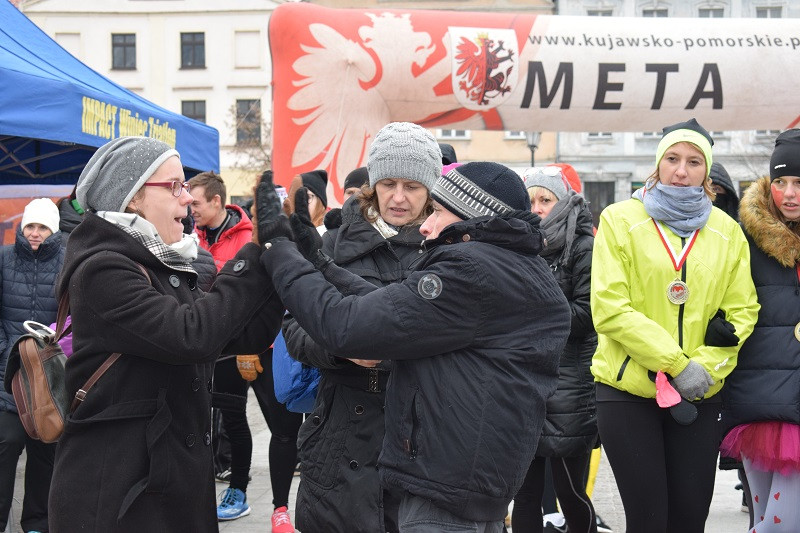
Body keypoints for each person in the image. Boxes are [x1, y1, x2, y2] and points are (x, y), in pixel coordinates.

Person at [255, 154, 572, 532]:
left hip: (445, 487)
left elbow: (345, 325)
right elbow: (389, 301)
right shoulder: (507, 263)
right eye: (388, 184)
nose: (427, 225)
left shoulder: (470, 271)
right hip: (468, 479)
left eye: (437, 210)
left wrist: (278, 249)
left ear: (471, 217)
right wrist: (320, 262)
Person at [47, 136, 283, 532]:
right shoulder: (102, 268)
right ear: (133, 197)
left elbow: (243, 336)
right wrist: (254, 253)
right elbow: (192, 336)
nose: (188, 198)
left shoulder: (162, 262)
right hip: (119, 495)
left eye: (186, 186)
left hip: (164, 484)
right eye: (174, 186)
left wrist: (278, 259)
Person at [590, 118, 760, 533]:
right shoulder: (620, 219)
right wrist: (677, 364)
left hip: (700, 396)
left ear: (707, 172)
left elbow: (743, 310)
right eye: (672, 159)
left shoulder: (727, 232)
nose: (681, 170)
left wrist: (705, 367)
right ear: (658, 164)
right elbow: (610, 307)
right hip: (628, 392)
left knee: (688, 520)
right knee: (648, 521)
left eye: (694, 161)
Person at [282, 121, 437, 532]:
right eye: (388, 183)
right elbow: (294, 327)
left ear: (431, 190)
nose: (398, 198)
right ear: (372, 184)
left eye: (412, 186)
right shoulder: (332, 243)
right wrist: (340, 347)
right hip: (340, 428)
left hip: (423, 431)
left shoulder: (447, 249)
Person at [720, 129, 800, 532]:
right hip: (761, 406)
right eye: (782, 181)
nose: (789, 193)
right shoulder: (745, 240)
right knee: (770, 521)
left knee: (782, 523)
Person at [512, 167, 599, 533]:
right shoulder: (516, 245)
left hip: (569, 385)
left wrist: (536, 315)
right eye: (530, 200)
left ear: (561, 201)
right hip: (524, 383)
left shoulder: (583, 245)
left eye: (545, 199)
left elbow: (589, 313)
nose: (537, 208)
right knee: (525, 491)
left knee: (570, 491)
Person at [0, 198, 64, 533]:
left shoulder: (67, 262)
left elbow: (72, 317)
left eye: (42, 227)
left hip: (50, 377)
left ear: (53, 230)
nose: (35, 234)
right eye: (30, 226)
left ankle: (38, 524)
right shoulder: (4, 259)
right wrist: (5, 352)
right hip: (8, 377)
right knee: (5, 444)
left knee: (45, 451)